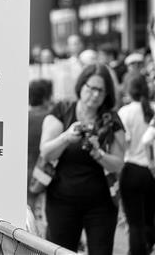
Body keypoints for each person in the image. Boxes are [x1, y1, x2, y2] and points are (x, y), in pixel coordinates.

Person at [39, 63, 125, 254]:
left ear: (107, 94)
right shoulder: (63, 110)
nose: (95, 95)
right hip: (61, 202)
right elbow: (46, 152)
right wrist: (66, 137)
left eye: (101, 91)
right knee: (59, 251)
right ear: (81, 85)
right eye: (91, 88)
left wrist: (99, 154)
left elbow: (118, 163)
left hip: (101, 205)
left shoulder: (111, 119)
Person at [117, 74, 155, 255]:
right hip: (151, 171)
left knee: (134, 223)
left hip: (131, 169)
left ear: (128, 90)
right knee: (149, 218)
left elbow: (124, 142)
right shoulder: (152, 108)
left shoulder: (125, 112)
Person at [27, 78, 52, 235]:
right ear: (46, 97)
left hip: (27, 171)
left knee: (27, 213)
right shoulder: (51, 118)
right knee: (49, 214)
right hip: (47, 171)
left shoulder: (23, 117)